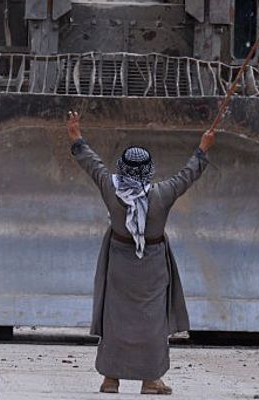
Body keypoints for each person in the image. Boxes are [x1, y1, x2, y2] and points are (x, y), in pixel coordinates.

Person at [66, 111, 214, 395]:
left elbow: (92, 165)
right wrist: (203, 148)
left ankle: (111, 379)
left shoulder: (112, 188)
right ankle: (150, 380)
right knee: (153, 321)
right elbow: (188, 175)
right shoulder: (163, 194)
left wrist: (76, 138)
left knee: (115, 318)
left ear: (121, 167)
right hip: (153, 263)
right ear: (149, 169)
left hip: (119, 261)